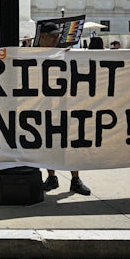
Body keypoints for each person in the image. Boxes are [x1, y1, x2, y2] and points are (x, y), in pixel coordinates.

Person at [37, 22, 91, 196]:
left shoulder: (65, 54)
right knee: (47, 144)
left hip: (64, 106)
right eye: (53, 36)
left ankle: (75, 179)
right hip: (43, 107)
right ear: (42, 36)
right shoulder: (33, 54)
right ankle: (51, 176)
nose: (56, 39)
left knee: (70, 143)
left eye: (58, 36)